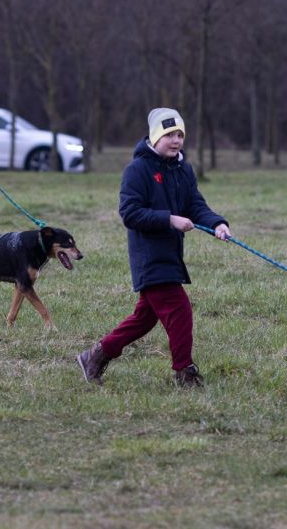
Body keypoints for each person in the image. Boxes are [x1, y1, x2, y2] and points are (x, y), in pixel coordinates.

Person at [76, 108, 230, 388]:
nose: (175, 140)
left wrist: (217, 224)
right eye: (169, 134)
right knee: (179, 308)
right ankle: (185, 371)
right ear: (155, 136)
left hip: (171, 255)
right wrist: (168, 219)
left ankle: (95, 356)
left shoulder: (183, 168)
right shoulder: (138, 170)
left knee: (145, 318)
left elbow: (195, 204)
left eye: (180, 134)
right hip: (149, 256)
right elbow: (130, 213)